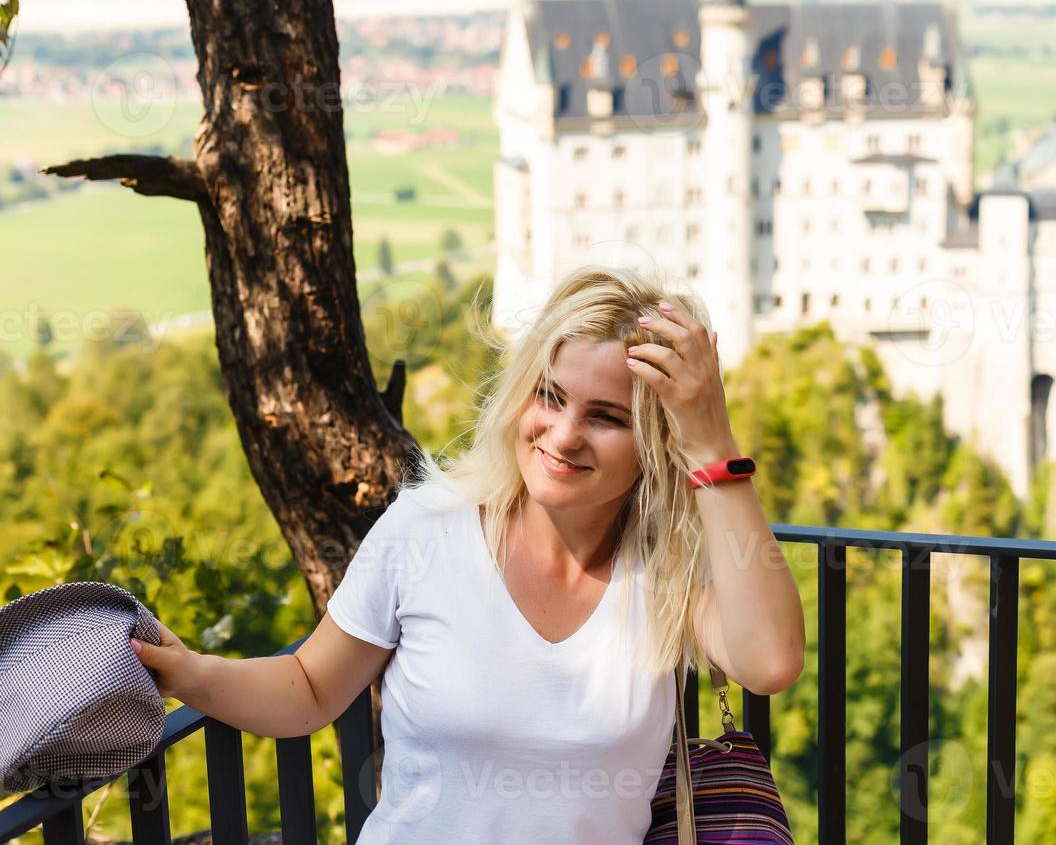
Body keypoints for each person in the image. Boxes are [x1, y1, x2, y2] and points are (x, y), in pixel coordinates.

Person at [128, 264, 806, 842]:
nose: (563, 436)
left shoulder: (666, 571)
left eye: (606, 417)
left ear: (655, 443)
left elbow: (769, 662)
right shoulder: (427, 528)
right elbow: (309, 689)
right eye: (550, 396)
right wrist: (192, 674)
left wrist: (713, 444)